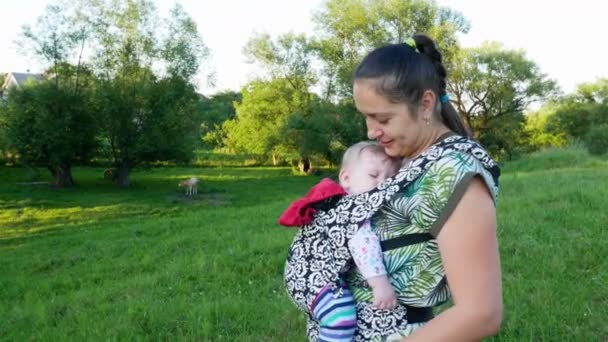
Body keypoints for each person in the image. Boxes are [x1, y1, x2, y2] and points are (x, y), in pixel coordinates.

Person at [301, 34, 503, 341]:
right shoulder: (402, 160)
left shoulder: (453, 172)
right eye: (366, 117)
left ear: (425, 104)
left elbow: (480, 314)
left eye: (382, 118)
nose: (371, 131)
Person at [280, 141, 402, 342]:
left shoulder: (336, 205)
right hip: (315, 278)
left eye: (389, 179)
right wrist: (380, 285)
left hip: (302, 277)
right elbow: (364, 247)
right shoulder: (354, 210)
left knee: (329, 321)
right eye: (374, 175)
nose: (382, 184)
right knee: (340, 318)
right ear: (346, 178)